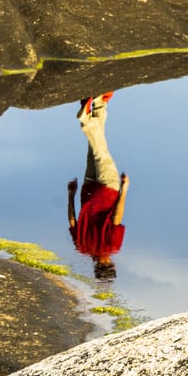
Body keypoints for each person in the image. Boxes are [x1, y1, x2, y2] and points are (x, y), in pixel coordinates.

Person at [67, 92, 129, 280]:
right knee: (94, 148)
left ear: (111, 264)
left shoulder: (113, 246)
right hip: (87, 191)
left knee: (101, 151)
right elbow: (72, 221)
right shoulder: (82, 247)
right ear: (96, 267)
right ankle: (99, 104)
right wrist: (71, 195)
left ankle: (86, 120)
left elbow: (116, 216)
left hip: (107, 190)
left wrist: (124, 189)